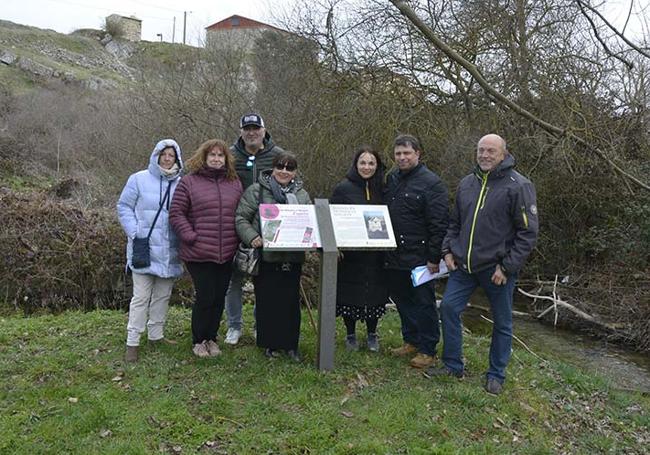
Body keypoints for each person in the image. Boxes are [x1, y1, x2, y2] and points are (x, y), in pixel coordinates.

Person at [424, 134, 538, 395]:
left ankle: (496, 374)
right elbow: (455, 223)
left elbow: (527, 233)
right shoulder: (467, 183)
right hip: (464, 267)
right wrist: (447, 251)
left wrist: (507, 267)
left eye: (491, 151)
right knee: (449, 308)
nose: (485, 155)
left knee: (502, 322)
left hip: (497, 269)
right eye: (481, 150)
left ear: (503, 153)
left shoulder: (518, 185)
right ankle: (453, 365)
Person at [169, 139, 243, 358]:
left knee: (219, 296)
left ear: (226, 159)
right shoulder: (189, 182)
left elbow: (240, 214)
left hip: (227, 251)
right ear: (204, 157)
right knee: (205, 296)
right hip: (198, 252)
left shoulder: (235, 183)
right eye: (213, 155)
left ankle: (212, 338)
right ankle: (198, 340)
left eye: (221, 156)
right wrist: (190, 235)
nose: (217, 159)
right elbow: (176, 213)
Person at [235, 152, 310, 361]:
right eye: (280, 167)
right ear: (273, 168)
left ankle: (291, 345)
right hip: (266, 256)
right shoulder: (257, 190)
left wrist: (309, 237)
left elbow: (309, 220)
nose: (284, 171)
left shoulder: (302, 195)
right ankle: (270, 345)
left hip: (293, 257)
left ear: (294, 172)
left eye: (289, 168)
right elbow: (241, 217)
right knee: (268, 302)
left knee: (290, 304)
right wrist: (252, 237)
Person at [385, 134, 449, 369]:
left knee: (423, 302)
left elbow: (439, 223)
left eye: (406, 153)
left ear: (418, 154)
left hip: (421, 257)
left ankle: (427, 349)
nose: (402, 158)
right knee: (402, 299)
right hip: (395, 254)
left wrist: (434, 257)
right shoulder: (392, 180)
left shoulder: (432, 183)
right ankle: (410, 340)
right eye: (398, 154)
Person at [117, 139, 184, 363]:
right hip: (143, 248)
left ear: (177, 158)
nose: (167, 158)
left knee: (163, 296)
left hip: (170, 250)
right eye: (163, 154)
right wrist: (135, 232)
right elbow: (124, 206)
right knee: (141, 297)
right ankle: (132, 341)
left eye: (171, 155)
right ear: (156, 155)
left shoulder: (181, 184)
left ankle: (156, 335)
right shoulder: (138, 179)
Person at [224, 113, 285, 345]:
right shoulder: (230, 155)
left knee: (265, 280)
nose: (251, 132)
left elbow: (289, 180)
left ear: (263, 130)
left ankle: (262, 325)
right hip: (236, 223)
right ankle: (234, 326)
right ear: (241, 131)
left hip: (268, 224)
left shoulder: (277, 154)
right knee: (235, 279)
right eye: (247, 128)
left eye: (255, 128)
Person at [330, 145, 388, 352]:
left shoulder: (383, 188)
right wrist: (335, 245)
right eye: (362, 162)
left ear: (377, 165)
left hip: (376, 254)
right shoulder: (343, 188)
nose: (367, 167)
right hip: (351, 253)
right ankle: (350, 334)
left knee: (375, 292)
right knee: (350, 292)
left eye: (371, 163)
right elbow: (332, 218)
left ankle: (372, 334)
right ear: (355, 165)